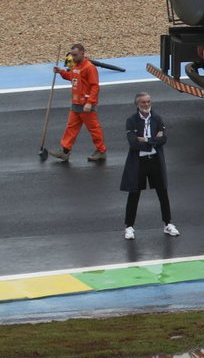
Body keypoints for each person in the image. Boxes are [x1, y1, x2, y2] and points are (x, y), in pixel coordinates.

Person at [120, 92, 179, 240]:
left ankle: (168, 223)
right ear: (137, 105)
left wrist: (144, 139)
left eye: (148, 102)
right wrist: (152, 140)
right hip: (139, 162)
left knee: (162, 193)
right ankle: (129, 226)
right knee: (134, 194)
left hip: (155, 161)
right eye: (143, 103)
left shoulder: (157, 119)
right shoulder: (131, 121)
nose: (146, 105)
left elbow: (163, 139)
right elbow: (133, 143)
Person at [48, 43, 106, 163]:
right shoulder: (75, 66)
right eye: (72, 55)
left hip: (86, 105)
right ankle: (65, 151)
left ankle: (101, 151)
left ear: (82, 53)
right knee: (71, 128)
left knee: (94, 129)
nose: (73, 58)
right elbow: (72, 77)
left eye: (75, 55)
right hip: (76, 104)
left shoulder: (89, 68)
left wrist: (90, 102)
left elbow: (95, 87)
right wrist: (61, 72)